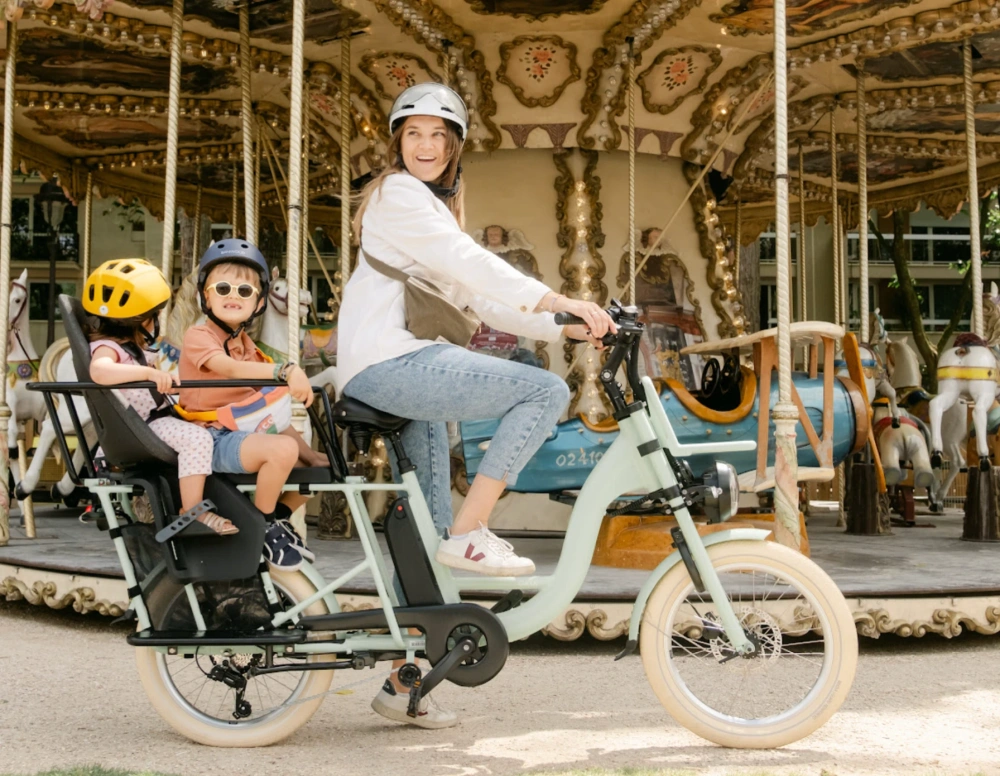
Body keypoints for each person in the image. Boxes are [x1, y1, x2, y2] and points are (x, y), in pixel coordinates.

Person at [338, 82, 616, 728]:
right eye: (414, 135)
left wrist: (561, 327)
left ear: (456, 146)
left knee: (426, 537)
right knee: (543, 390)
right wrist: (556, 299)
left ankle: (406, 680)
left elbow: (476, 298)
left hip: (397, 370)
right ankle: (474, 531)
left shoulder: (431, 210)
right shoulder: (398, 195)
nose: (426, 146)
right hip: (390, 361)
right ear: (397, 144)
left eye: (439, 136)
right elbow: (471, 264)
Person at [177, 241, 327, 569]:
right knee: (282, 451)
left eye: (245, 290)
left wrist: (311, 455)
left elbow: (270, 413)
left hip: (240, 432)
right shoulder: (199, 336)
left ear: (259, 302)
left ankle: (281, 518)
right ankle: (264, 526)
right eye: (223, 288)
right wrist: (284, 369)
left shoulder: (246, 346)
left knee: (313, 469)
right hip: (209, 438)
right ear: (206, 295)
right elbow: (226, 368)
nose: (234, 295)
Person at [84, 259, 234, 536]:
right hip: (141, 428)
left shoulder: (133, 350)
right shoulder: (107, 348)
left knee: (208, 428)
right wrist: (150, 374)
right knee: (197, 439)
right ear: (140, 321)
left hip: (153, 420)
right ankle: (193, 511)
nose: (155, 323)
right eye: (154, 316)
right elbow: (99, 370)